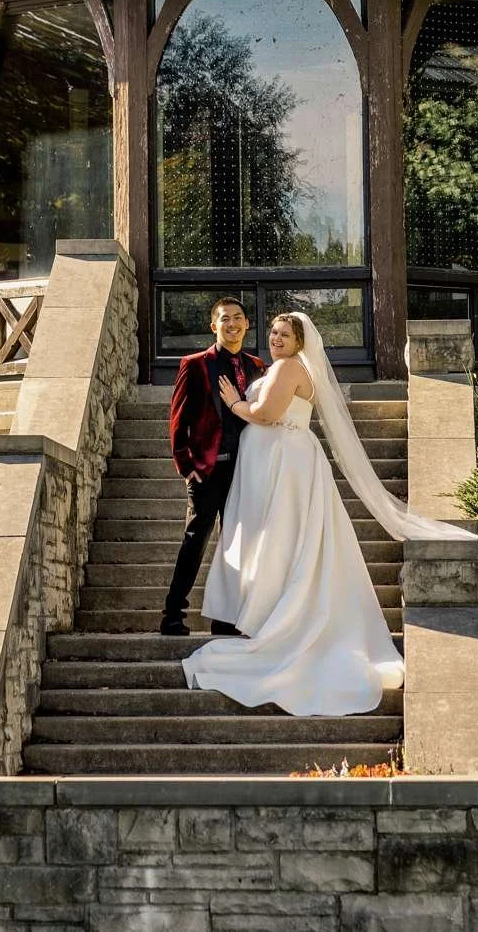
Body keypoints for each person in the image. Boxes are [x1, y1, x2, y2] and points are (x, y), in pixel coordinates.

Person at [181, 310, 405, 714]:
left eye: (284, 334)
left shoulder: (287, 367)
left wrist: (234, 403)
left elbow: (266, 414)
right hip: (283, 461)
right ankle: (266, 610)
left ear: (301, 341)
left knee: (280, 539)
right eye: (273, 333)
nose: (276, 339)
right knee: (283, 541)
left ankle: (274, 618)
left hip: (283, 464)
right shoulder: (293, 366)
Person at [162, 296, 257, 637]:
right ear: (213, 325)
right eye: (224, 319)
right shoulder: (195, 364)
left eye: (238, 318)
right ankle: (173, 614)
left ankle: (226, 618)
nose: (232, 324)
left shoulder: (256, 365)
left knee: (238, 543)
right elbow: (178, 418)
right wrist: (187, 465)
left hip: (247, 470)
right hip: (208, 469)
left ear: (247, 324)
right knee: (195, 539)